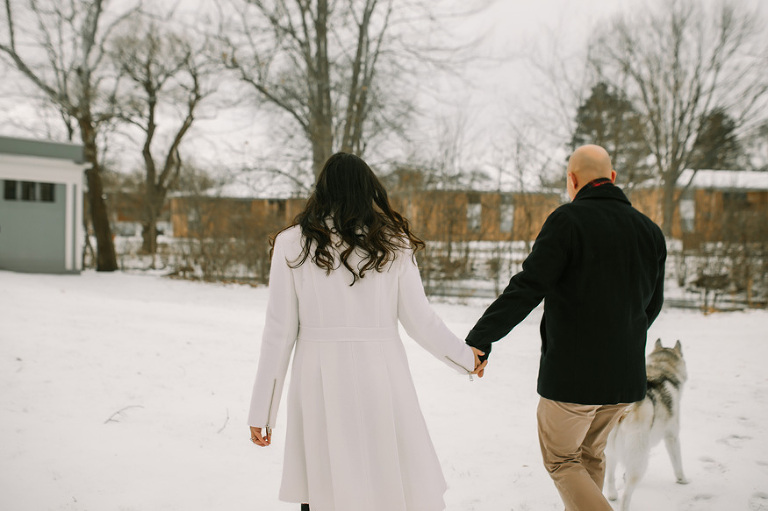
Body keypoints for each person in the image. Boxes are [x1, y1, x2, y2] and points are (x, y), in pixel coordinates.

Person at [247, 152, 486, 511]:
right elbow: (421, 321)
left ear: (322, 190)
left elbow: (278, 332)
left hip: (319, 378)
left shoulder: (292, 242)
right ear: (367, 189)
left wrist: (262, 412)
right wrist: (467, 359)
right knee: (386, 477)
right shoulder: (393, 242)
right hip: (381, 373)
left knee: (325, 480)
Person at [465, 144, 666, 510]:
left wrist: (481, 338)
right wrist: (621, 338)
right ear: (613, 178)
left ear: (572, 180)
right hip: (624, 379)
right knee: (589, 456)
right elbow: (651, 305)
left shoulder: (568, 220)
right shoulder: (650, 231)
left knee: (561, 459)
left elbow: (528, 287)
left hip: (573, 378)